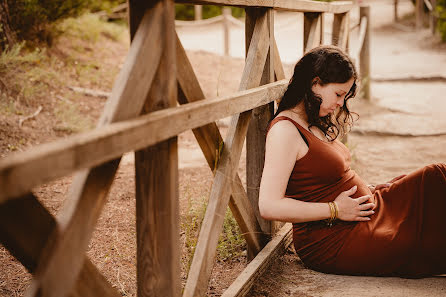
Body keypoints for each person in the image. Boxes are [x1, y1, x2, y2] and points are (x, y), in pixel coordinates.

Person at [258, 45, 446, 277]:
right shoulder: (285, 131)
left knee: (436, 176)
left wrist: (369, 189)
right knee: (426, 238)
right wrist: (335, 210)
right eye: (338, 94)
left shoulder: (312, 119)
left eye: (344, 96)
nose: (340, 103)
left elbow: (331, 178)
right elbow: (268, 205)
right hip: (333, 237)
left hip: (364, 211)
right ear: (315, 83)